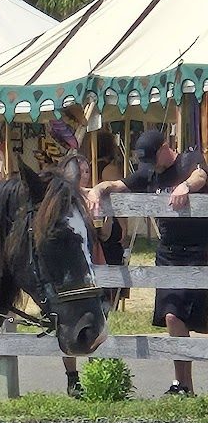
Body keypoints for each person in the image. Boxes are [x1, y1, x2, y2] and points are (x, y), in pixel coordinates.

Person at [88, 129, 208, 396]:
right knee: (172, 315)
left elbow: (201, 176)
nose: (151, 167)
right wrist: (98, 189)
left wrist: (185, 186)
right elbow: (118, 185)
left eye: (154, 159)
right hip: (169, 251)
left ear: (165, 148)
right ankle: (183, 385)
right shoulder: (149, 172)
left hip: (201, 250)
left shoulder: (188, 159)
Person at [61, 153, 124, 397]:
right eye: (78, 170)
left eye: (86, 170)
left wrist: (105, 216)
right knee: (67, 319)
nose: (83, 175)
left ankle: (98, 372)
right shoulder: (60, 200)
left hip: (94, 256)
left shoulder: (93, 196)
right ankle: (72, 377)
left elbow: (106, 235)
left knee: (99, 315)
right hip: (69, 263)